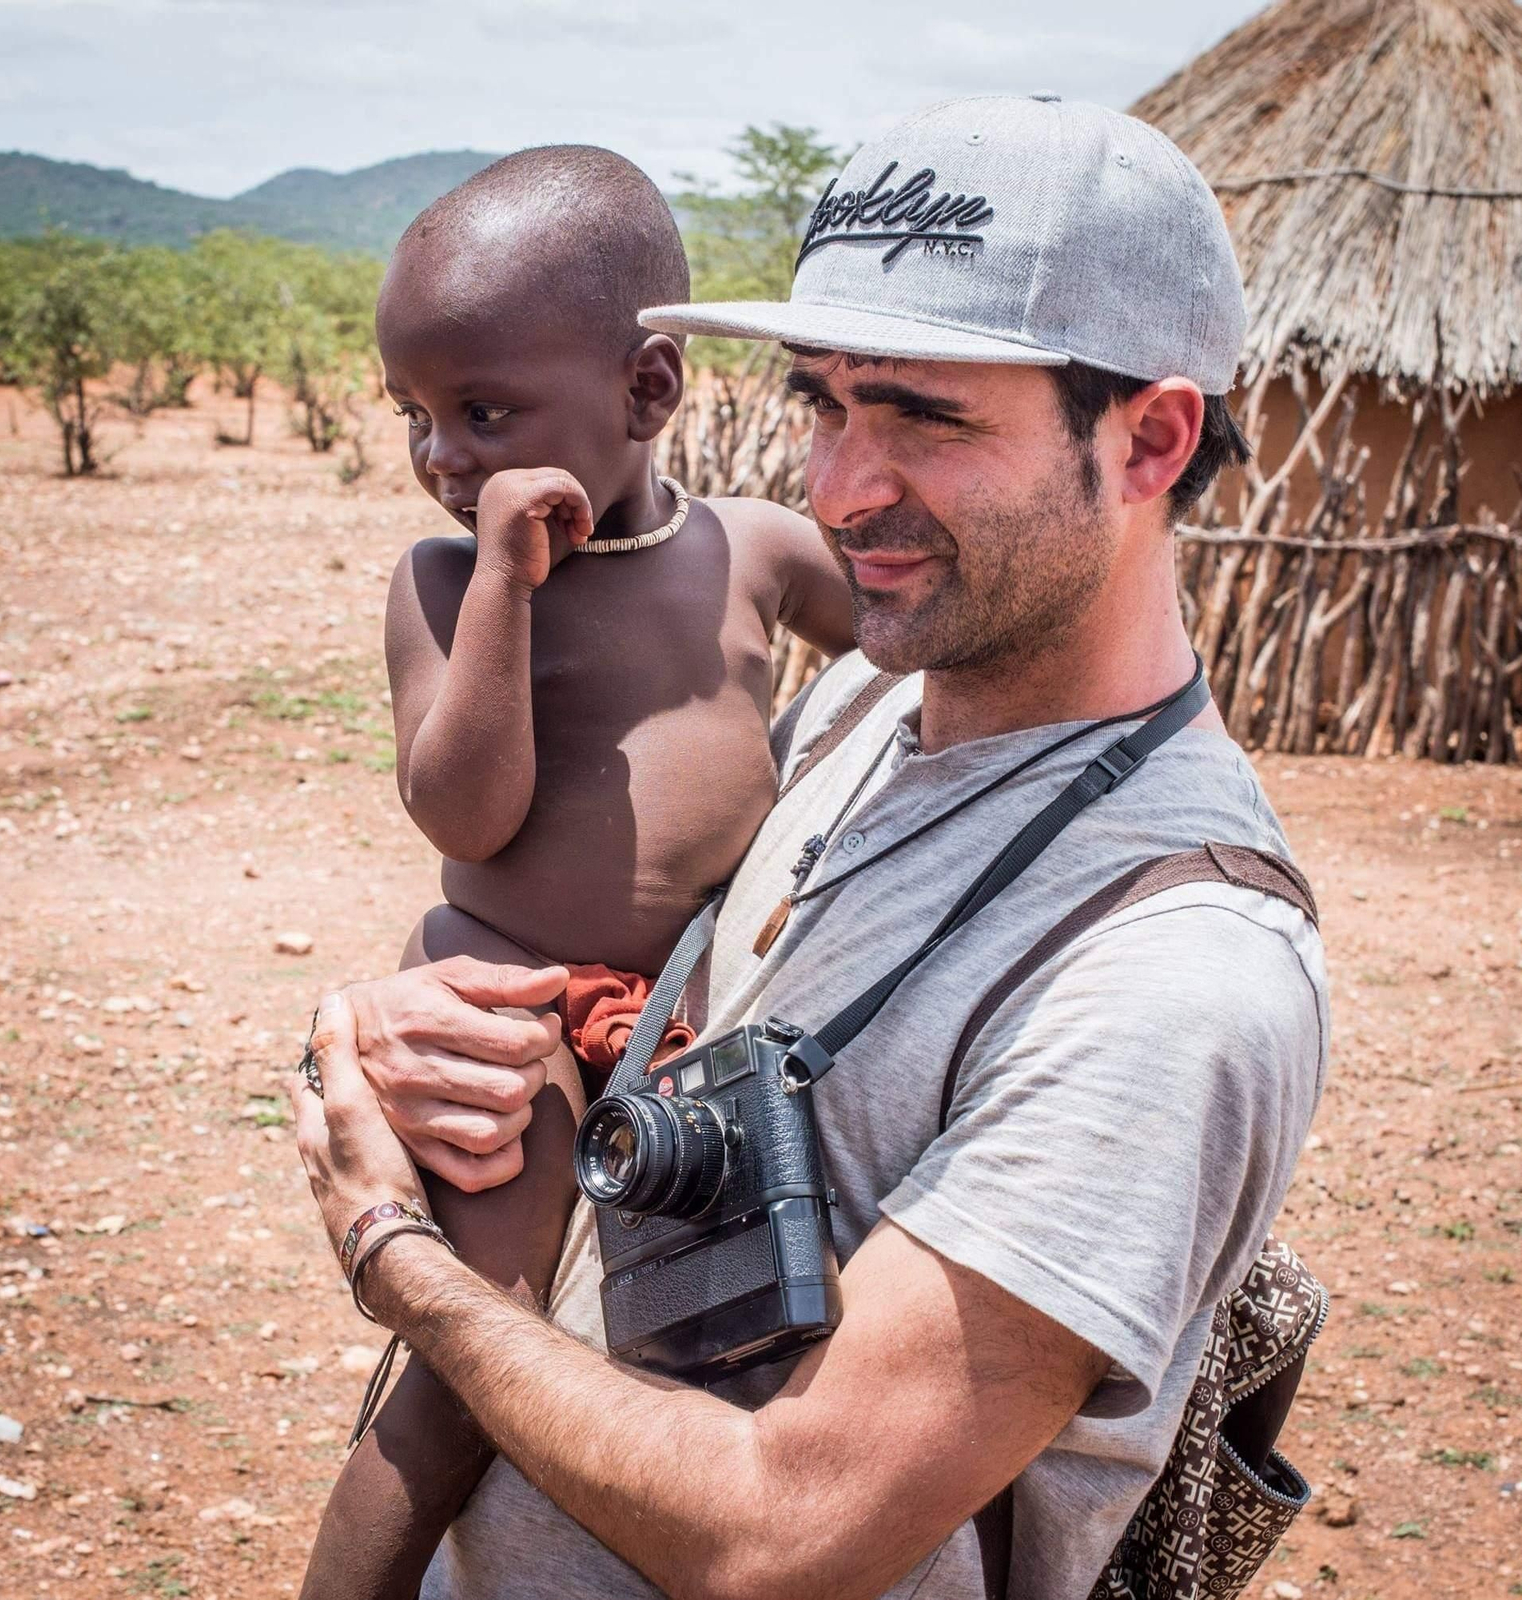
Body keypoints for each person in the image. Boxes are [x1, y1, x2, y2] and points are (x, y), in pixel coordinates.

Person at [292, 97, 1330, 1600]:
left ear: (1151, 439)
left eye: (926, 414)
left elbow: (780, 1537)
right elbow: (620, 921)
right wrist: (411, 1027)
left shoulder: (1172, 973)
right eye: (825, 403)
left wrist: (394, 1249)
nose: (840, 487)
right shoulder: (860, 704)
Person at [300, 145, 856, 1599]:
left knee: (692, 1347)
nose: (445, 457)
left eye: (485, 411)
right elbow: (466, 812)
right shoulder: (440, 586)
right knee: (473, 1353)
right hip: (508, 1018)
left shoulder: (755, 553)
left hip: (695, 1023)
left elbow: (913, 658)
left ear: (649, 392)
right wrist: (499, 589)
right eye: (418, 416)